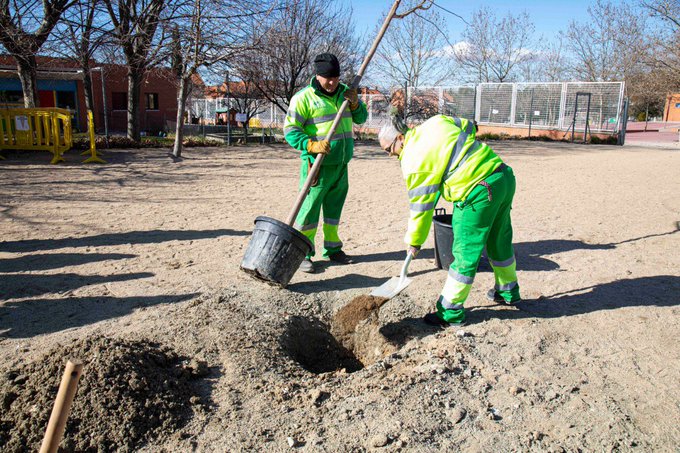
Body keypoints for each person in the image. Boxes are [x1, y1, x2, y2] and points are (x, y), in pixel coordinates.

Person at [378, 114, 521, 327]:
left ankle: (450, 311)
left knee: (465, 252)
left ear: (400, 138)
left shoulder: (413, 161)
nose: (391, 155)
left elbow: (421, 208)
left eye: (389, 150)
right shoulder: (435, 122)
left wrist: (414, 241)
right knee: (498, 239)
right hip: (502, 177)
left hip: (477, 192)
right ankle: (508, 290)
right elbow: (469, 127)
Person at [284, 53, 368, 273]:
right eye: (327, 78)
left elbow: (361, 118)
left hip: (341, 164)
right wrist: (310, 145)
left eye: (336, 77)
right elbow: (290, 130)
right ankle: (302, 253)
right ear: (317, 75)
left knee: (333, 210)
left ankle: (332, 249)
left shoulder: (345, 93)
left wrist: (356, 103)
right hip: (317, 165)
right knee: (309, 211)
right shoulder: (303, 98)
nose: (332, 82)